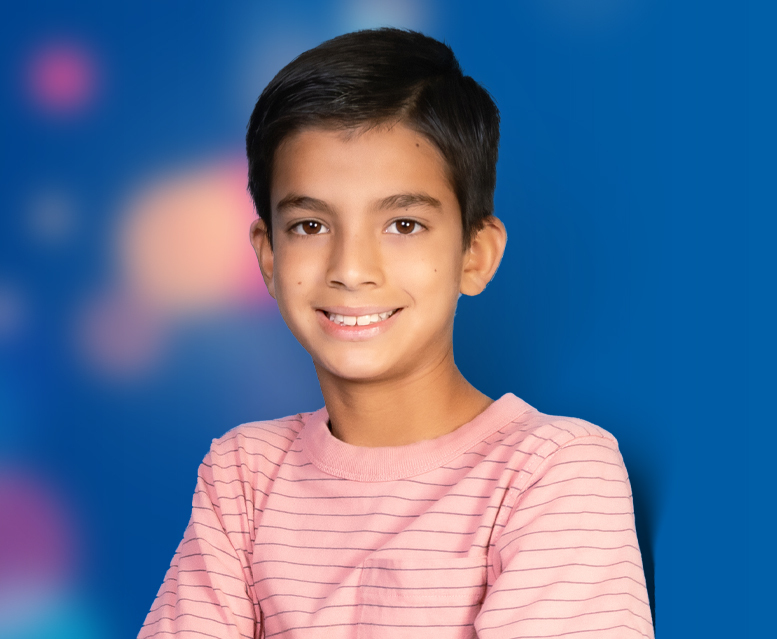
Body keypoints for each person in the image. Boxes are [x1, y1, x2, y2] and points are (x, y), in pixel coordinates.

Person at [139, 28, 654, 639]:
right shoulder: (242, 475)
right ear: (269, 257)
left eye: (404, 224)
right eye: (309, 226)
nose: (351, 269)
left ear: (475, 255)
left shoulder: (554, 471)